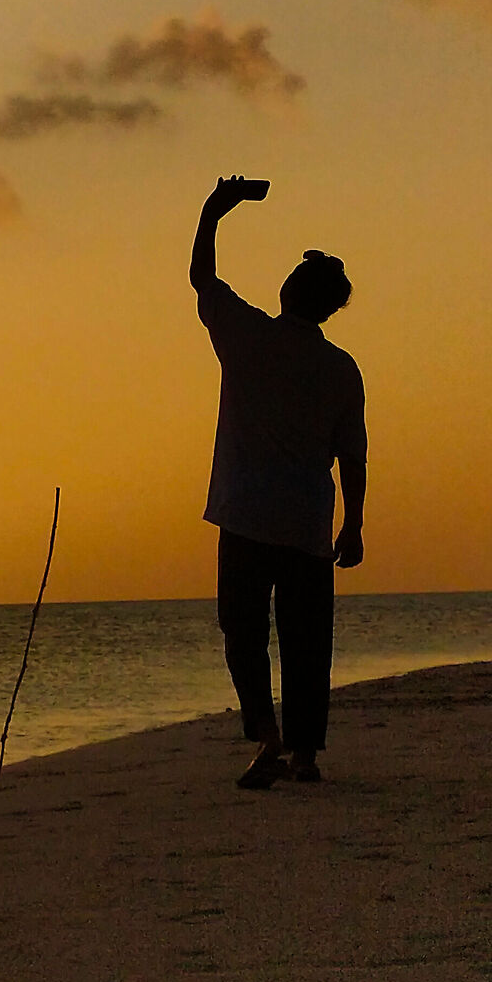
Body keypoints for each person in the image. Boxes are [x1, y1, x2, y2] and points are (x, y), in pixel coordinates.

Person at [190, 177, 367, 790]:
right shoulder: (340, 367)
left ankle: (268, 733)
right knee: (307, 640)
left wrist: (214, 213)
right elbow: (353, 455)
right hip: (306, 521)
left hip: (245, 515)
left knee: (243, 632)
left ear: (289, 291)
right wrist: (354, 523)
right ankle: (304, 752)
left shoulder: (250, 337)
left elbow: (203, 279)